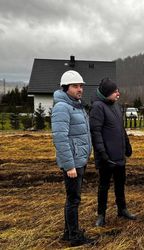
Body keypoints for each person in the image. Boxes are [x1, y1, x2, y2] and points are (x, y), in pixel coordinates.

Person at [51, 70, 93, 247]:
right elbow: (60, 138)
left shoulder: (76, 105)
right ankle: (75, 236)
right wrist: (69, 166)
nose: (80, 89)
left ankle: (68, 233)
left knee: (72, 198)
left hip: (79, 159)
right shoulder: (62, 107)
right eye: (75, 86)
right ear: (66, 87)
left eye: (81, 86)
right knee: (74, 200)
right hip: (73, 162)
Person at [89, 78, 136, 227]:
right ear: (107, 93)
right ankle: (101, 215)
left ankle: (122, 209)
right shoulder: (97, 107)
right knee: (104, 186)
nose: (118, 93)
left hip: (119, 155)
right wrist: (102, 154)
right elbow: (95, 133)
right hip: (106, 157)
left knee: (120, 184)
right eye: (115, 91)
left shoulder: (116, 106)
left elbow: (121, 129)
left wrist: (127, 146)